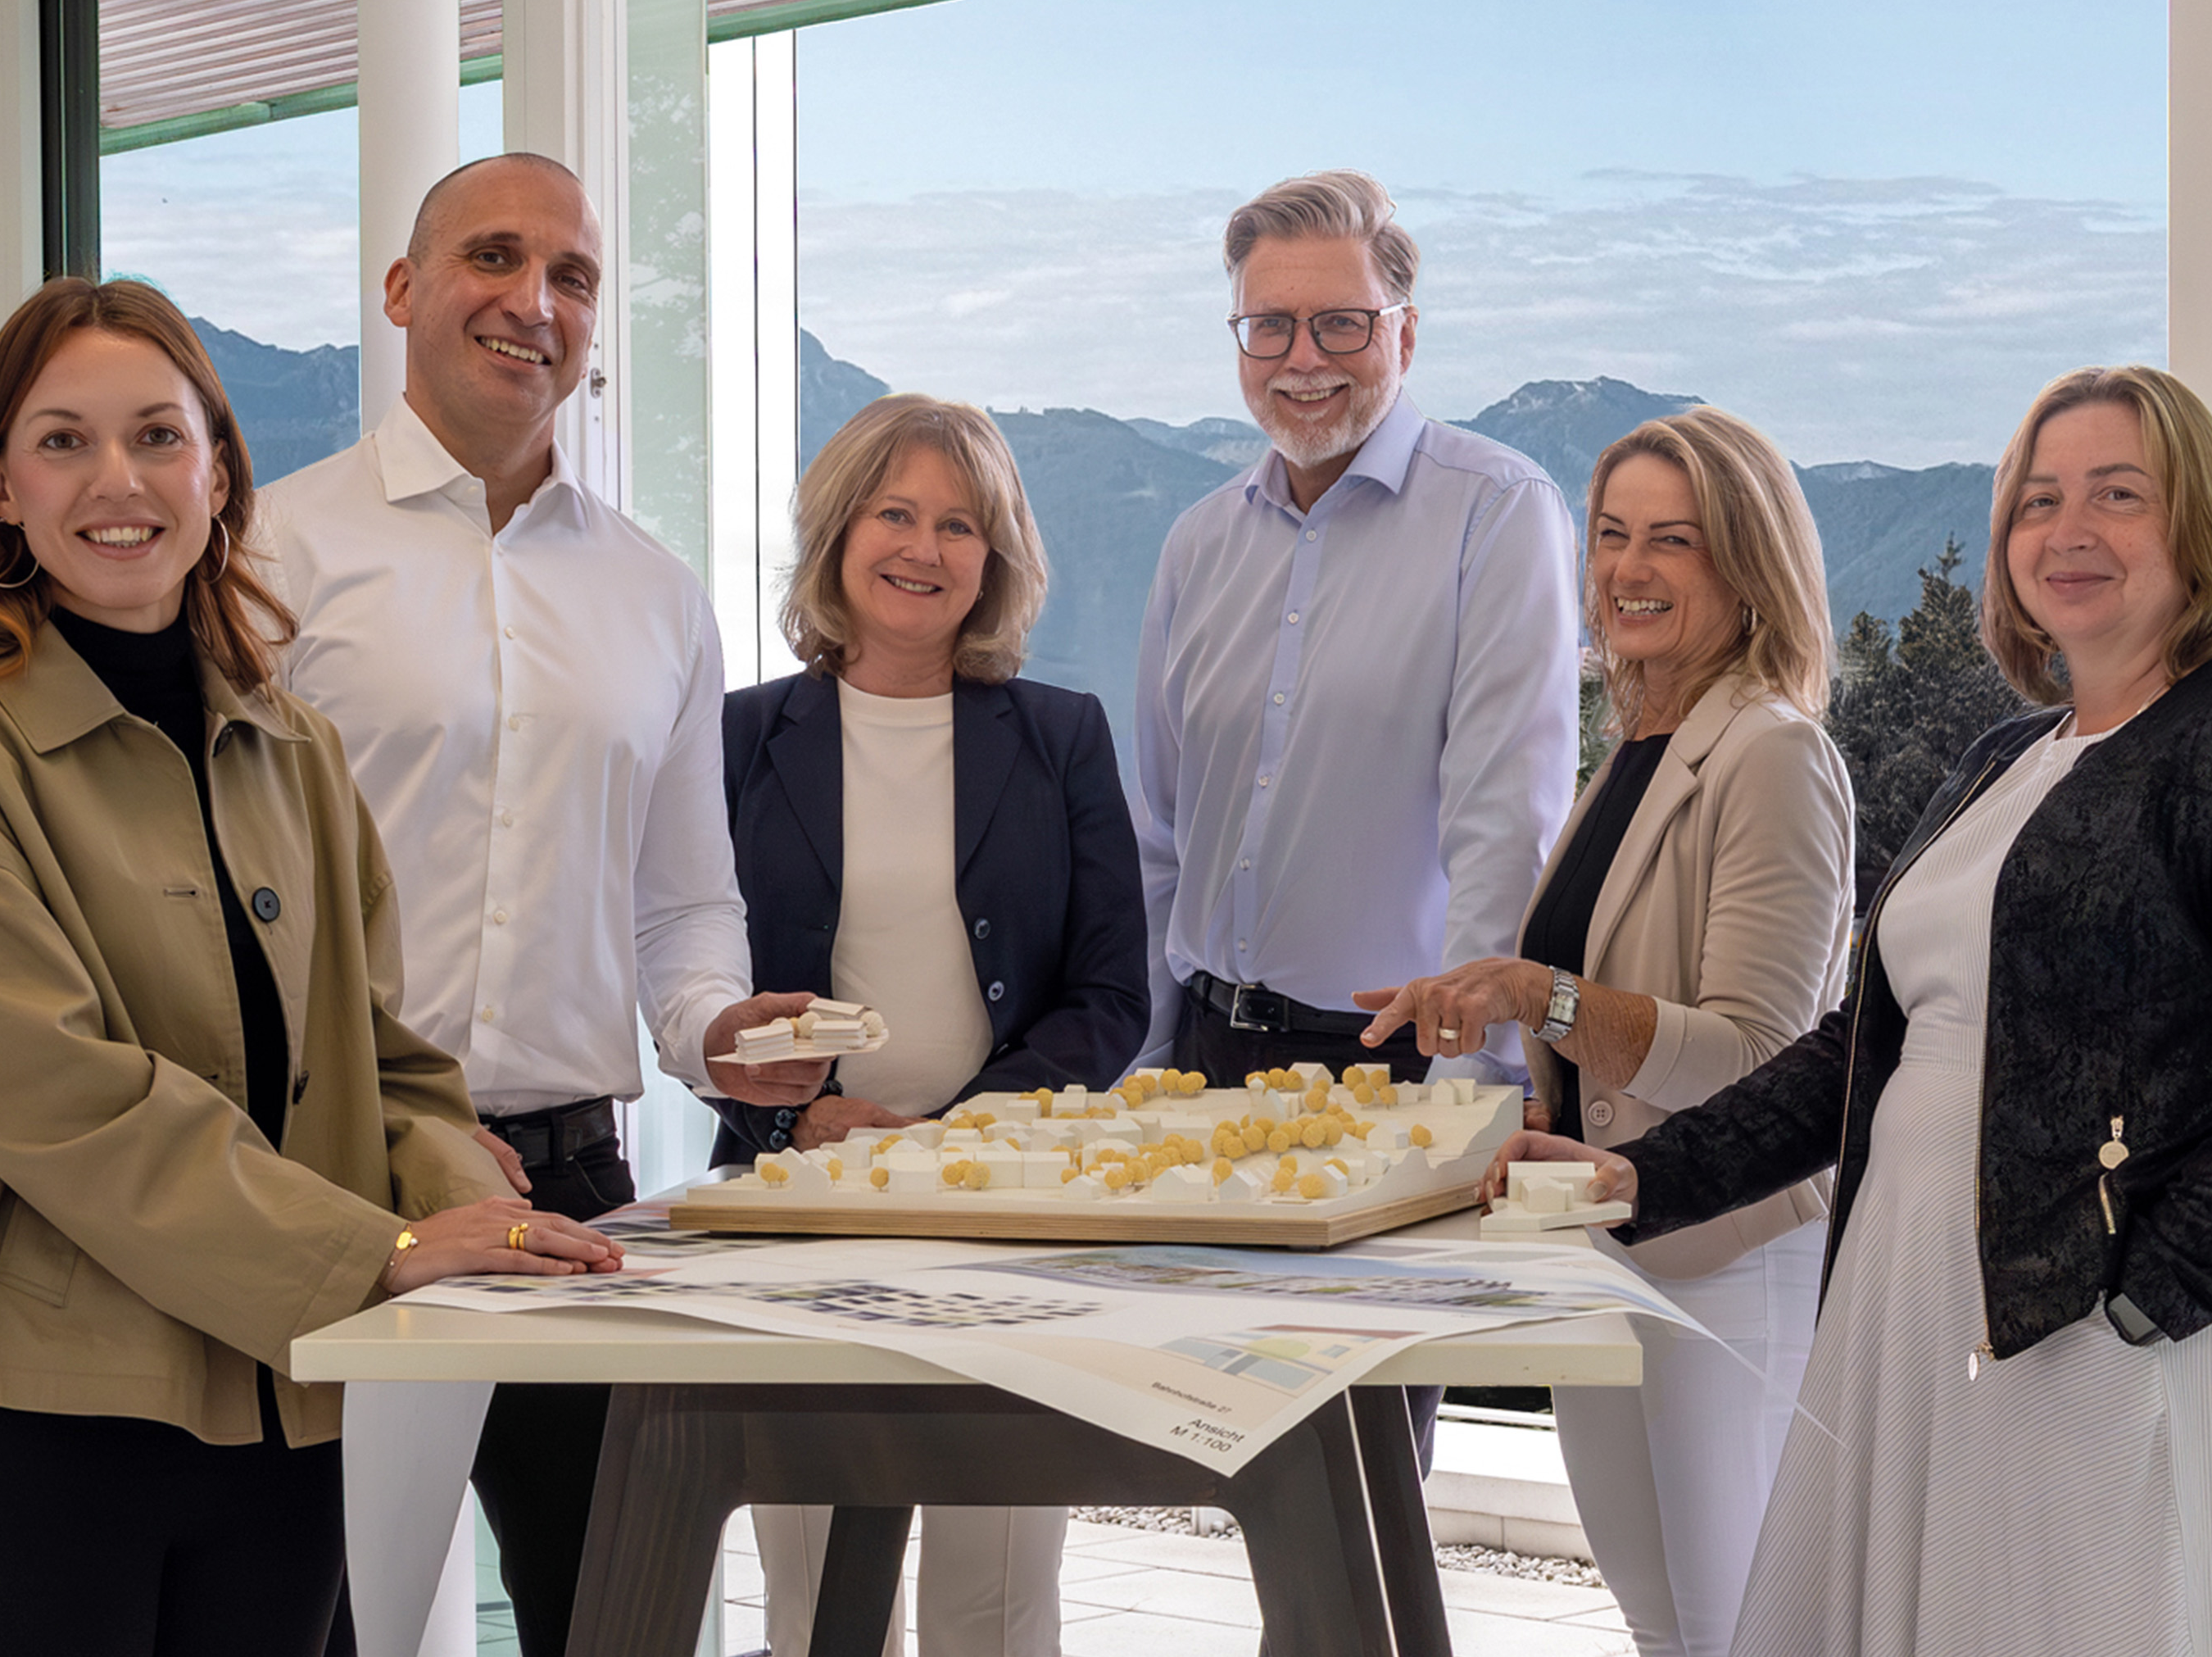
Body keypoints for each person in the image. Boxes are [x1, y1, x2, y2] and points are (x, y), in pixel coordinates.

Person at [1487, 365, 2212, 1653]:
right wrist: (1642, 1177)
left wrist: (2149, 1293)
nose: (2069, 530)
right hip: (1936, 1308)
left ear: (2195, 525)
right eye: (2037, 501)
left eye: (2117, 495)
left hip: (2151, 1340)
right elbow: (1859, 1053)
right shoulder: (2003, 759)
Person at [0, 278, 623, 1657]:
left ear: (216, 473)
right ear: (2, 485)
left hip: (282, 1421)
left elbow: (387, 1067)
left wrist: (479, 1220)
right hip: (25, 1429)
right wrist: (380, 1253)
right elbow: (51, 1095)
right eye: (64, 441)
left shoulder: (295, 745)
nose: (118, 480)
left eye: (158, 436)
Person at [255, 152, 822, 1657]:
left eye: (572, 275)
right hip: (338, 1178)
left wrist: (717, 1035)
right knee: (316, 1622)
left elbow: (683, 903)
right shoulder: (268, 555)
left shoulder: (657, 593)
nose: (535, 301)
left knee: (618, 1622)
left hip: (573, 1190)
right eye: (493, 258)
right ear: (402, 290)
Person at [1360, 406, 1852, 1657]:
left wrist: (1539, 996)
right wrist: (1540, 1095)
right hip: (1606, 1240)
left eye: (1672, 540)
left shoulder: (1773, 755)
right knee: (1655, 1621)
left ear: (1747, 567)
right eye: (1613, 535)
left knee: (1732, 1629)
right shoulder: (1640, 744)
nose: (1629, 568)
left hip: (1725, 1255)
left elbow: (1762, 1057)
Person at [718, 394, 1150, 1657]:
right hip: (795, 1200)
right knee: (814, 1599)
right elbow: (693, 980)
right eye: (895, 514)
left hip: (1007, 1209)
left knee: (997, 1598)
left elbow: (1113, 996)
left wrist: (952, 1139)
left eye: (960, 524)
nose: (925, 548)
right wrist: (801, 1116)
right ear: (838, 533)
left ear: (996, 555)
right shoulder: (741, 736)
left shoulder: (1063, 736)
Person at [1133, 167, 1579, 1096]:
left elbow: (1507, 827)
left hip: (1400, 1067)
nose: (1303, 358)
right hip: (1200, 1065)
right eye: (1270, 325)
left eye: (1342, 323)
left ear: (1404, 335)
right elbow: (1163, 837)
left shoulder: (1497, 512)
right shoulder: (1196, 545)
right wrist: (1143, 1059)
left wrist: (1469, 1085)